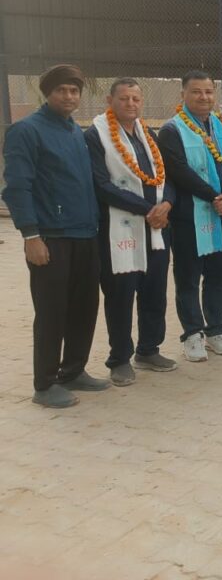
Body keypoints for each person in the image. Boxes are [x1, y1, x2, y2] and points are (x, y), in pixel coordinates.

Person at [3, 64, 106, 407]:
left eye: (74, 91)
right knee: (52, 311)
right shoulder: (26, 131)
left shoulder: (75, 131)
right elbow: (17, 187)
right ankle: (45, 384)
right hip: (50, 237)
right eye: (61, 90)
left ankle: (73, 371)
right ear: (47, 93)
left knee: (84, 307)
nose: (69, 96)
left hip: (85, 233)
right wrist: (31, 236)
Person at [84, 77, 177, 387]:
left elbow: (167, 177)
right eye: (124, 98)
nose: (131, 104)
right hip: (118, 230)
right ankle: (120, 359)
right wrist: (148, 209)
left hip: (156, 229)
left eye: (136, 99)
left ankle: (149, 350)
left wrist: (167, 205)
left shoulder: (148, 134)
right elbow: (101, 185)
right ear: (109, 101)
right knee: (120, 295)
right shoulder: (95, 135)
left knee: (154, 292)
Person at [158, 70, 222, 362]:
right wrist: (214, 197)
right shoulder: (172, 130)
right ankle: (192, 333)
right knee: (188, 277)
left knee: (219, 275)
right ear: (183, 94)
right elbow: (178, 171)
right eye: (196, 91)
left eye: (208, 91)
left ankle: (216, 329)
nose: (203, 97)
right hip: (189, 217)